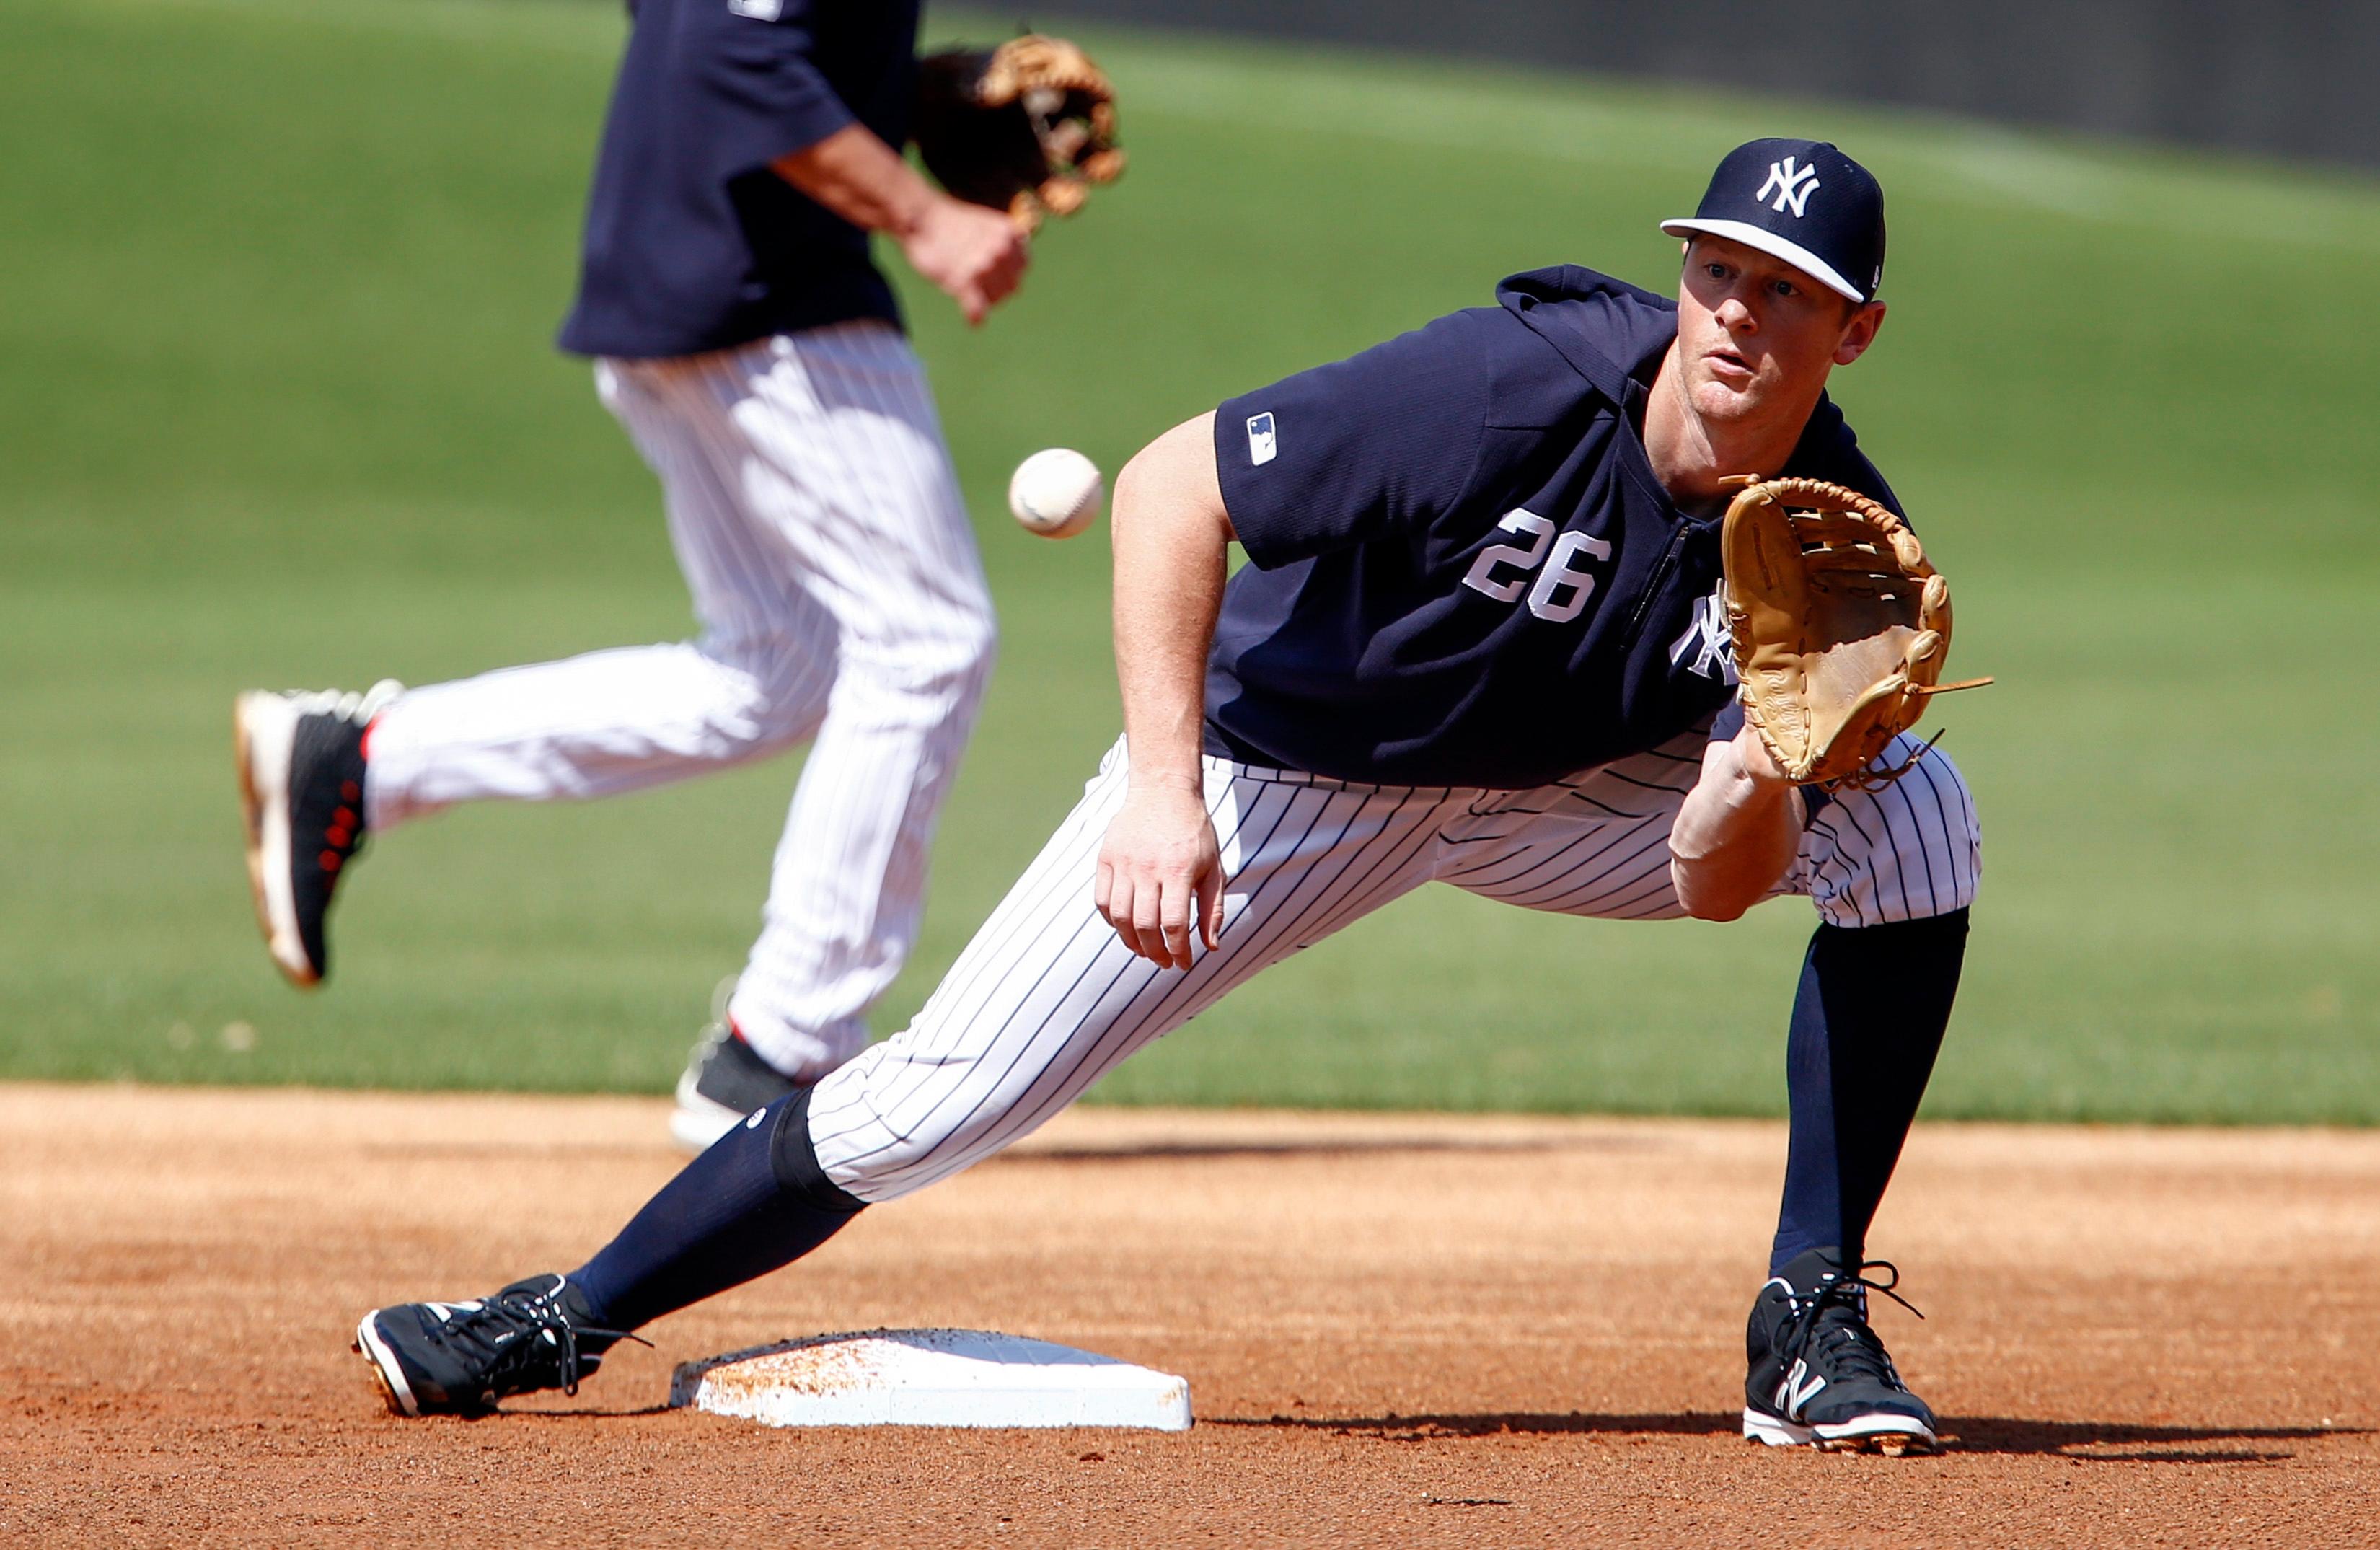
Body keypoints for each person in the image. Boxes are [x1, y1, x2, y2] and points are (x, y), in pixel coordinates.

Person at [351, 139, 1980, 1456]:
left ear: (1857, 333)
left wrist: (1767, 761)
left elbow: (1710, 879)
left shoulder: (1830, 543)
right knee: (937, 1102)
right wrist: (1158, 790)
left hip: (1554, 798)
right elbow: (1168, 485)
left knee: (1915, 811)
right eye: (1719, 272)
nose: (1739, 318)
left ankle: (1808, 1320)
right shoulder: (1505, 389)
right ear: (1682, 273)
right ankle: (559, 1314)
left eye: (1790, 294)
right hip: (1281, 775)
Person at [234, 0, 1029, 1151]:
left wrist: (890, 95)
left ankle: (365, 762)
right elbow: (730, 49)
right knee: (927, 641)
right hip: (768, 297)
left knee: (780, 668)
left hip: (683, 262)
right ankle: (784, 1048)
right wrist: (922, 215)